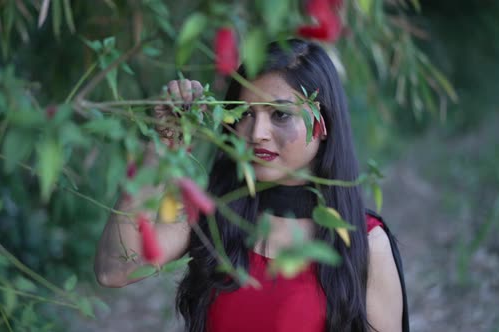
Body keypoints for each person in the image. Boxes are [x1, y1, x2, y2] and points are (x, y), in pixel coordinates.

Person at [94, 39, 408, 332]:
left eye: (280, 115)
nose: (257, 133)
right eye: (245, 113)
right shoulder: (216, 214)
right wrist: (161, 147)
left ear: (322, 124)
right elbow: (115, 270)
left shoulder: (365, 242)